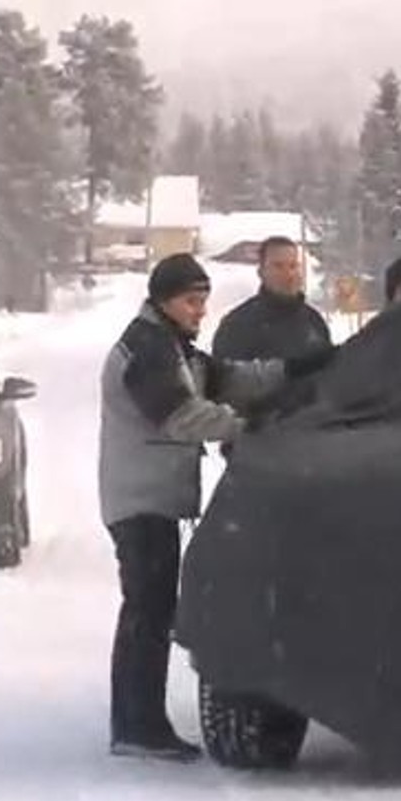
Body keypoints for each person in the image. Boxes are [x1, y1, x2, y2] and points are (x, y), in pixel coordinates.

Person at [97, 253, 337, 761]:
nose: (199, 310)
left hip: (153, 499)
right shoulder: (148, 350)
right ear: (163, 299)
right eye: (191, 300)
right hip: (142, 502)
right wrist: (249, 429)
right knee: (147, 612)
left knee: (152, 610)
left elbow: (232, 378)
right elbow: (182, 416)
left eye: (203, 300)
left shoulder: (174, 347)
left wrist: (297, 368)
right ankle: (137, 726)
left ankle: (139, 722)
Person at [212, 236, 332, 363]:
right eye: (278, 266)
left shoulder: (313, 321)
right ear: (261, 272)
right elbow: (225, 378)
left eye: (293, 266)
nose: (289, 274)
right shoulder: (237, 326)